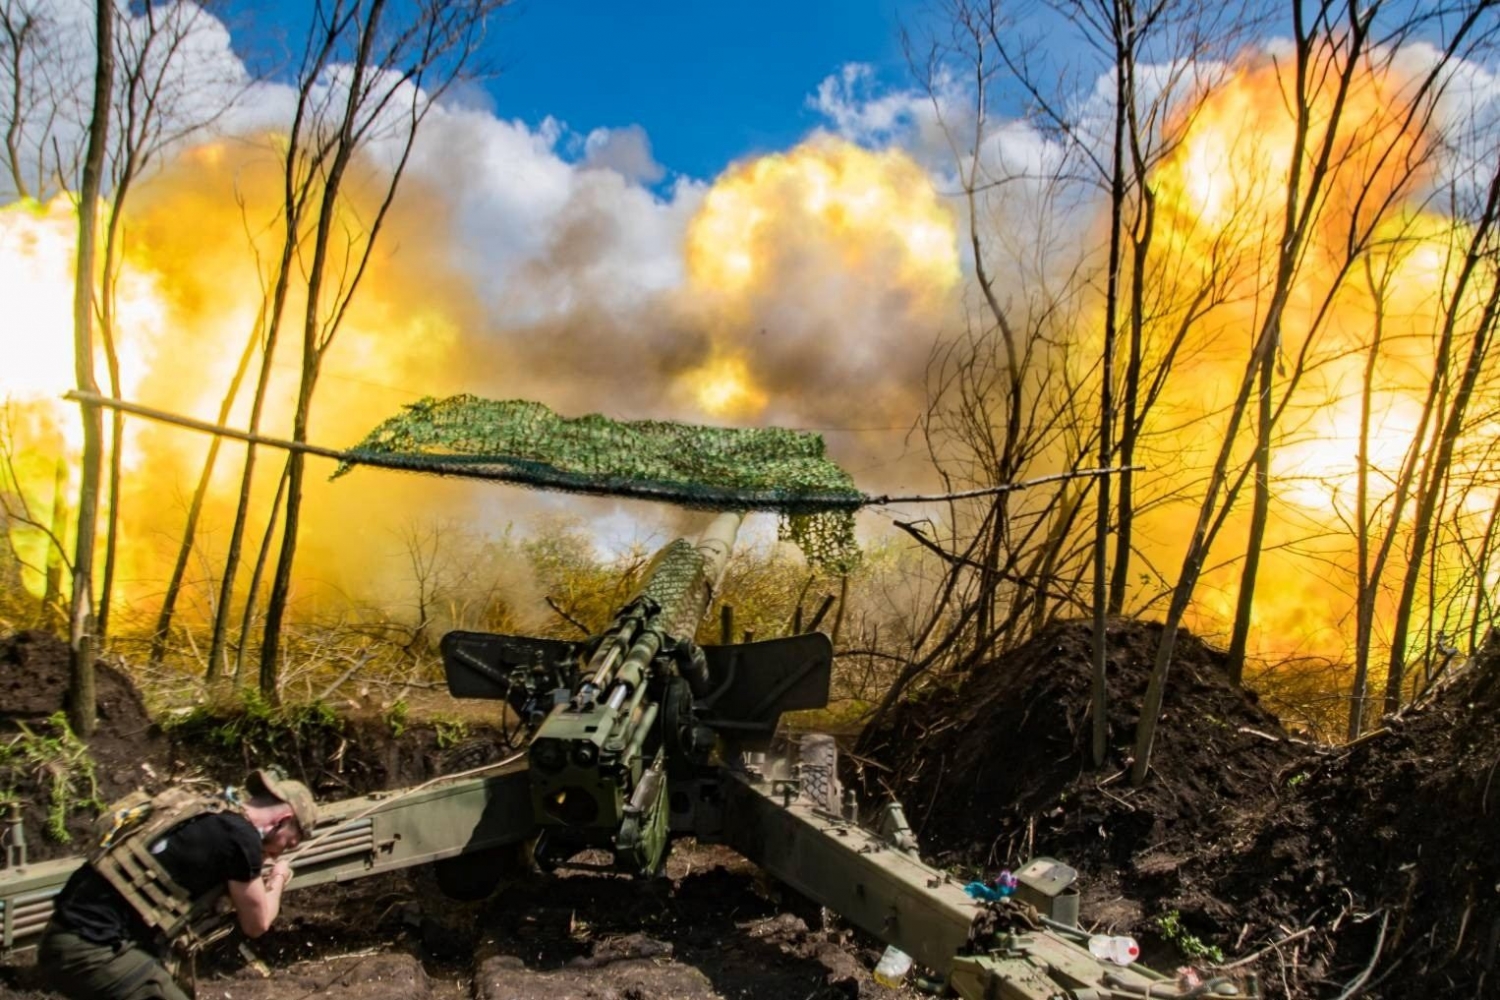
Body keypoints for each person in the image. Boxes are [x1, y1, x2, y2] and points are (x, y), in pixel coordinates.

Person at [36, 768, 318, 1000]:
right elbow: (257, 924)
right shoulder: (241, 839)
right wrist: (279, 877)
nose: (279, 853)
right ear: (282, 820)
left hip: (63, 934)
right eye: (290, 843)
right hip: (93, 950)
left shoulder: (203, 809)